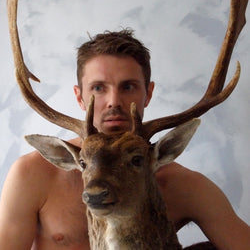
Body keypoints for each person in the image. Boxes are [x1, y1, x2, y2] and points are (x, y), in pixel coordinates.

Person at [0, 29, 249, 249]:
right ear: (79, 96)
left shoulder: (185, 186)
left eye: (128, 87)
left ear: (148, 93)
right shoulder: (32, 174)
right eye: (98, 88)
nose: (114, 102)